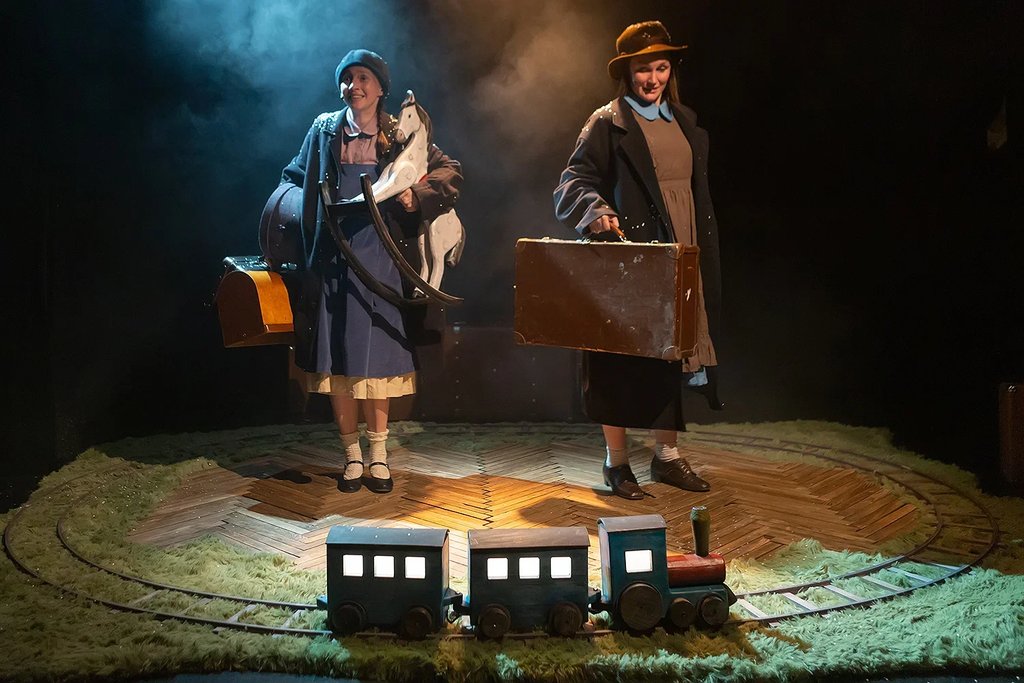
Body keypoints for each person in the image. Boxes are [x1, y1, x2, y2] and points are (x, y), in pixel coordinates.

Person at [274, 49, 462, 494]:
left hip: (381, 260)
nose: (353, 86)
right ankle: (351, 457)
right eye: (348, 78)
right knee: (339, 359)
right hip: (333, 259)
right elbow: (293, 177)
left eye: (363, 78)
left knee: (376, 359)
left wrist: (417, 197)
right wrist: (296, 212)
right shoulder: (324, 130)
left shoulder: (399, 133)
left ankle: (379, 454)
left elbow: (448, 171)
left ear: (381, 88)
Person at [553, 21, 723, 500]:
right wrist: (596, 211)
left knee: (672, 352)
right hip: (632, 254)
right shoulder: (608, 122)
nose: (653, 78)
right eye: (643, 69)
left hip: (681, 250)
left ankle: (666, 456)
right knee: (620, 360)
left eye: (661, 67)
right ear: (627, 73)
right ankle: (617, 462)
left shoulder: (684, 120)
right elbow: (571, 182)